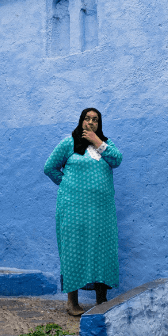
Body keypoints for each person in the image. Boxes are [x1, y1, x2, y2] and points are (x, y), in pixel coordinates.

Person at [44, 108, 123, 316]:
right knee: (73, 249)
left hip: (102, 211)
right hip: (73, 209)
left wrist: (97, 141)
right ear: (80, 121)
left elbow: (117, 160)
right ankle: (72, 302)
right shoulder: (68, 143)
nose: (90, 122)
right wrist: (70, 185)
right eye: (87, 119)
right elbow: (49, 168)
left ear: (99, 124)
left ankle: (101, 300)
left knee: (102, 250)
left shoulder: (106, 144)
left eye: (95, 120)